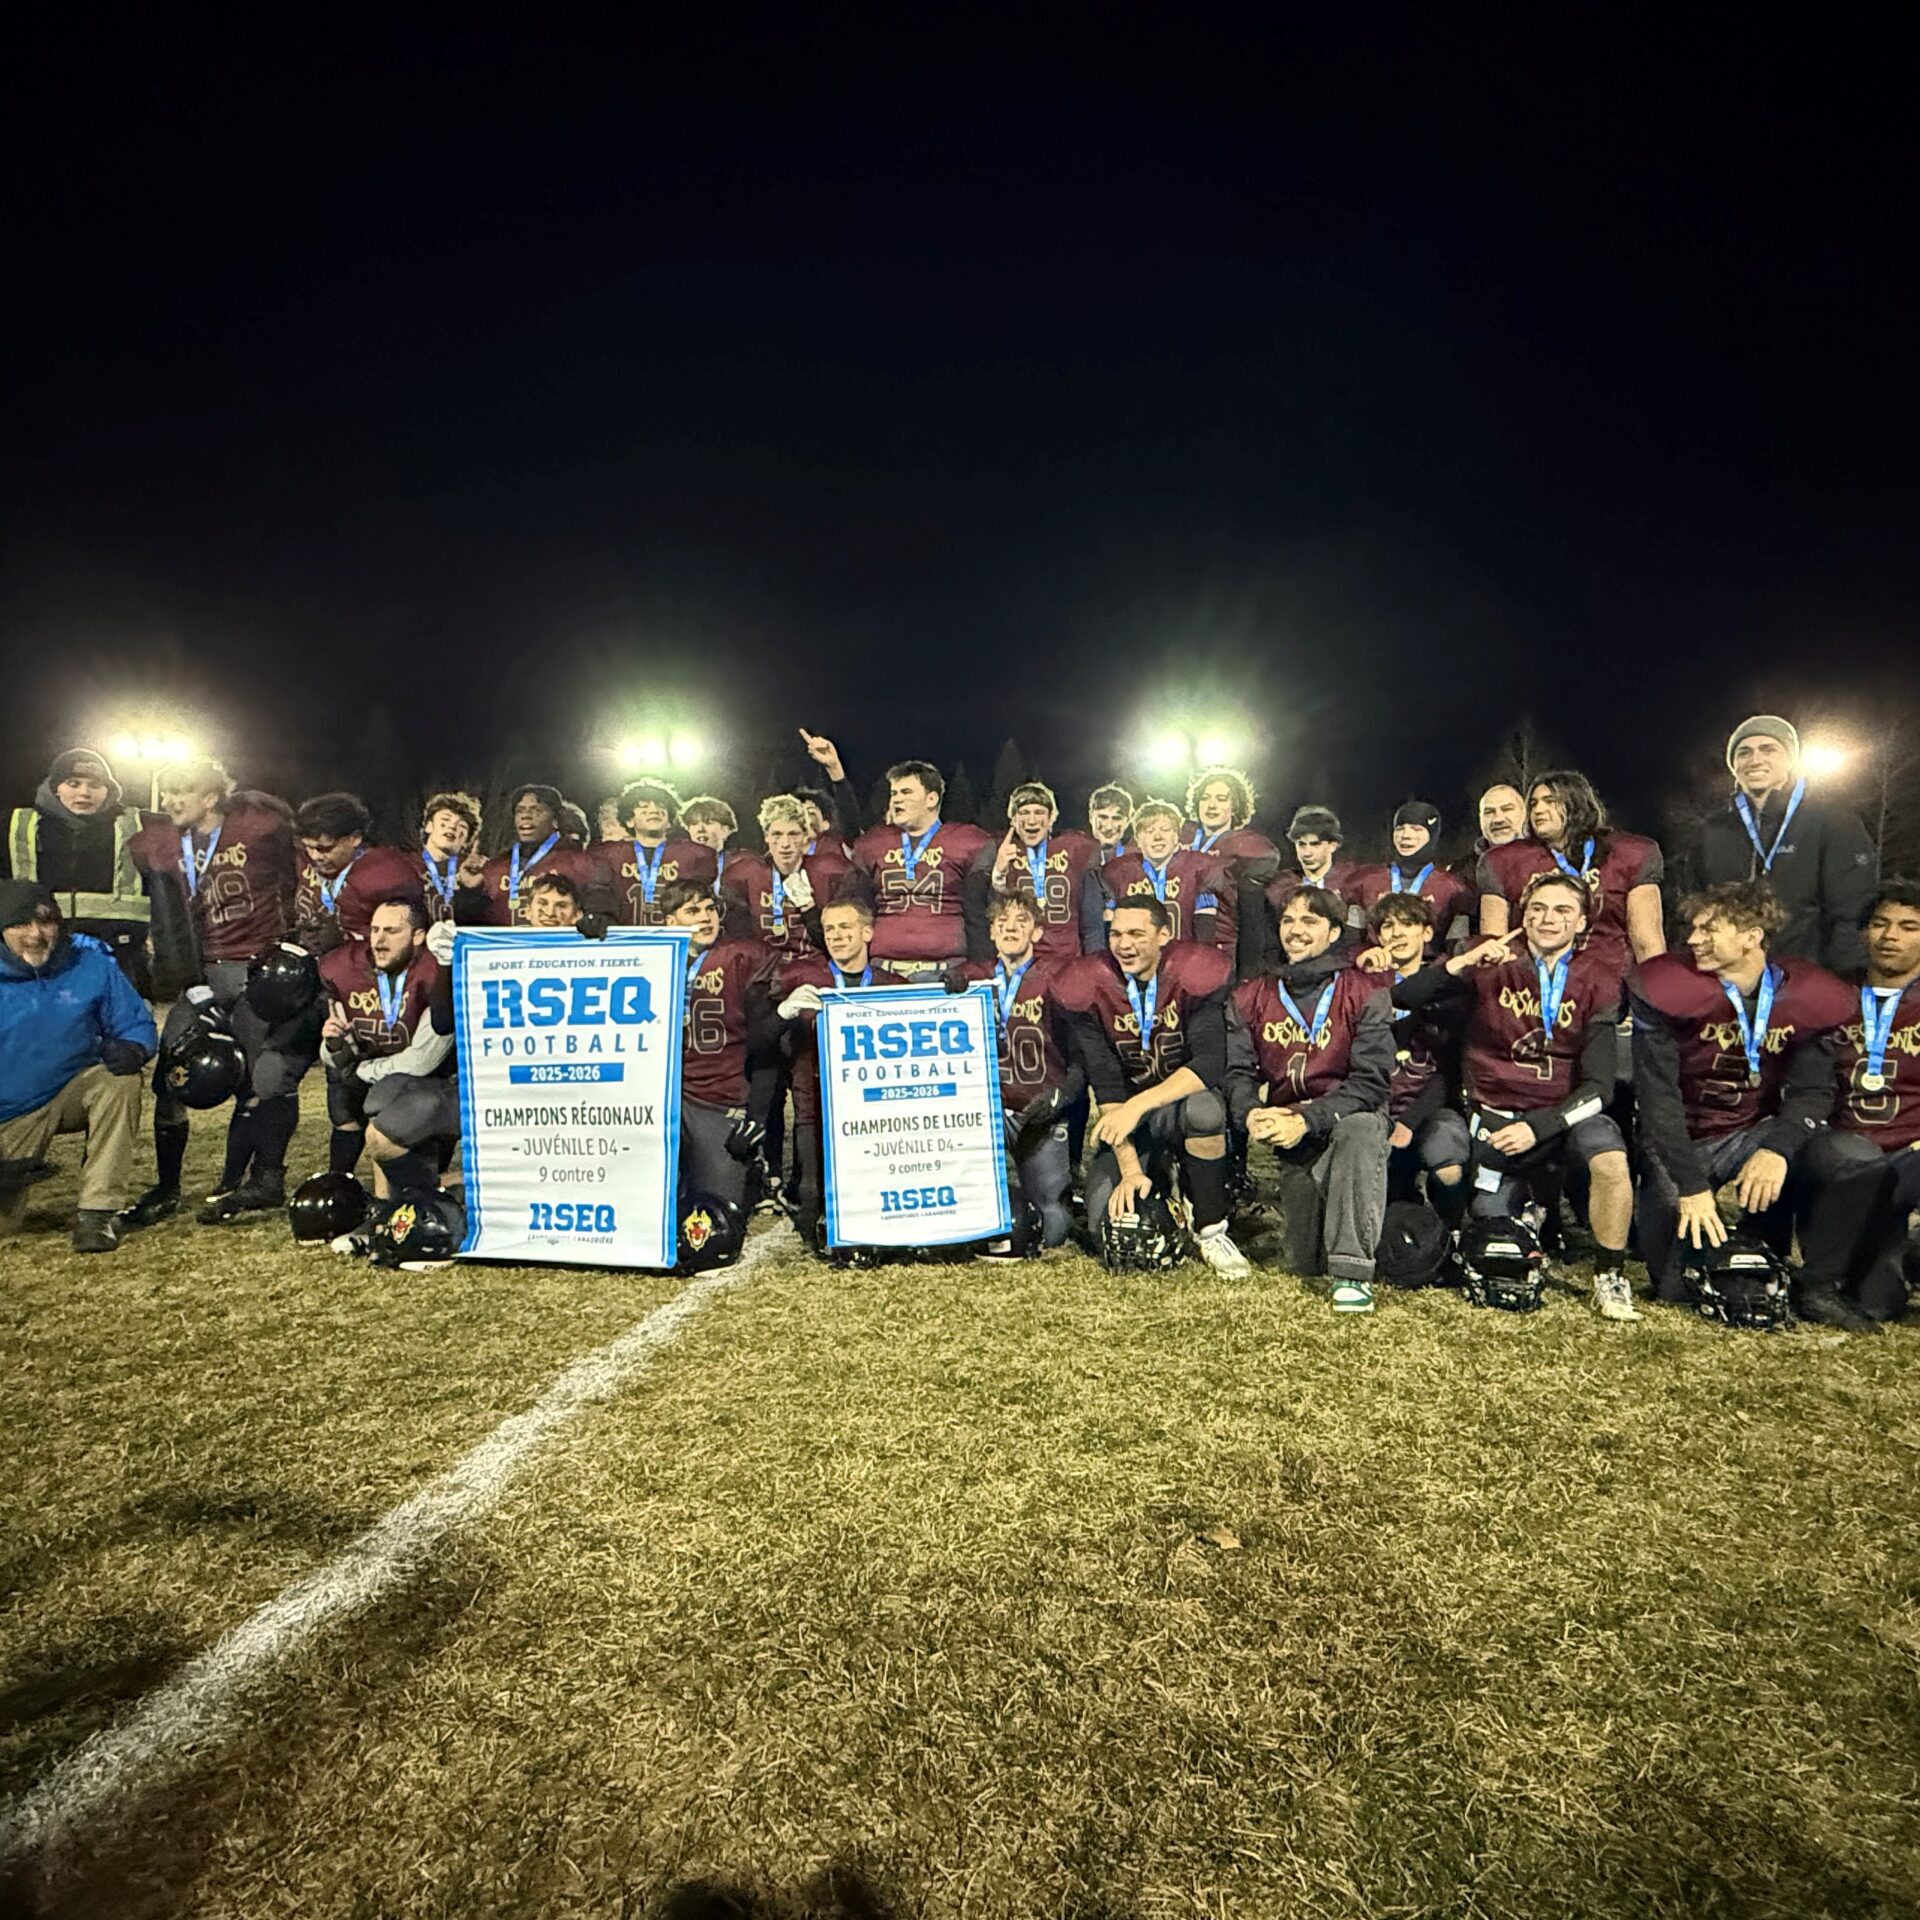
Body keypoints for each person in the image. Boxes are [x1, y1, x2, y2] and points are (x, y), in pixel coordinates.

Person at [1391, 872, 1638, 1321]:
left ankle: (1610, 1274)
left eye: (1563, 910)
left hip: (1558, 1118)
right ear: (1523, 915)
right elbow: (1404, 995)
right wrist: (1461, 963)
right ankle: (1458, 1233)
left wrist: (1541, 1126)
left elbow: (1600, 1087)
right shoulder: (1488, 960)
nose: (1548, 919)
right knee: (1483, 1209)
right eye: (1538, 908)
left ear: (1582, 922)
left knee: (1610, 1158)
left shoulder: (1597, 979)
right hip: (1489, 1113)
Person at [1632, 881, 1861, 1323]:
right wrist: (1691, 1187)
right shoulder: (1666, 988)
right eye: (1693, 928)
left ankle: (1814, 1280)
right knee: (1674, 1287)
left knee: (1835, 1154)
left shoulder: (1805, 992)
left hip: (1750, 1130)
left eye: (1709, 929)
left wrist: (1777, 1148)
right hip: (1682, 1137)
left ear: (1752, 935)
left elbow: (1814, 1090)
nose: (1693, 939)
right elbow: (1658, 1098)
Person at [125, 758, 304, 1227]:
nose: (170, 801)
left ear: (210, 797)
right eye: (167, 792)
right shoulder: (162, 841)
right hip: (199, 974)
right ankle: (166, 1186)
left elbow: (297, 850)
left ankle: (249, 1179)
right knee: (171, 1077)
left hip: (253, 969)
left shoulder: (257, 825)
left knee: (256, 1081)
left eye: (182, 790)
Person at [1057, 898, 1249, 1276]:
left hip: (1176, 1107)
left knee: (1205, 1110)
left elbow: (1208, 1065)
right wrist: (1129, 1169)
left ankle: (1210, 1229)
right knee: (1105, 1223)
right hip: (1132, 1121)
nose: (1123, 944)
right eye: (1115, 934)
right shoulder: (1091, 982)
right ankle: (1158, 1173)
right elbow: (1107, 1084)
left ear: (1164, 935)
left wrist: (1138, 1105)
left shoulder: (1192, 973)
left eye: (1136, 934)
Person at [1228, 888, 1392, 1311]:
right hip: (1291, 1123)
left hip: (1346, 1113)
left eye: (1310, 921)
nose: (1296, 931)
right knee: (1304, 1261)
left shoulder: (1365, 990)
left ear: (1334, 932)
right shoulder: (1251, 995)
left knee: (1360, 1128)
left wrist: (1308, 1119)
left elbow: (1371, 1083)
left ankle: (1353, 1272)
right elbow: (1238, 1074)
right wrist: (1252, 1113)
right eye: (1288, 921)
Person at [0, 881, 157, 1253]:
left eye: (46, 922)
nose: (36, 935)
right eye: (20, 924)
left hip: (66, 1089)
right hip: (8, 1115)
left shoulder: (90, 964)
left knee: (118, 1083)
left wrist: (135, 1047)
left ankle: (98, 1213)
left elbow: (135, 1022)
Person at [1794, 882, 1920, 1322]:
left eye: (1909, 927)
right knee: (1859, 1159)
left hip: (1910, 1152)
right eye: (1881, 924)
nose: (1891, 936)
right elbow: (1808, 1082)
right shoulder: (1832, 995)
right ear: (1864, 932)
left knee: (1880, 1304)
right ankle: (1819, 1285)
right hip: (1840, 1144)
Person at [1684, 715, 1878, 971]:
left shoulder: (1832, 821)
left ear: (1790, 761)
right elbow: (1694, 909)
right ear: (1733, 766)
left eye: (1768, 749)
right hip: (1730, 979)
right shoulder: (1712, 831)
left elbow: (1852, 910)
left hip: (1808, 977)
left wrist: (1844, 976)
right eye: (1744, 753)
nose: (1755, 760)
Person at [774, 897, 908, 1242]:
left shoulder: (893, 985)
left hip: (876, 1111)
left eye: (845, 927)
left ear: (867, 932)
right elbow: (760, 1037)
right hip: (816, 1108)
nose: (836, 936)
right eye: (830, 929)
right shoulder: (803, 979)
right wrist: (782, 1014)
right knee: (813, 1213)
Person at [964, 890, 1084, 1249]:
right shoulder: (971, 975)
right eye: (1002, 922)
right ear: (990, 932)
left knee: (1053, 1228)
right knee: (969, 1210)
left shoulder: (1059, 977)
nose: (1010, 928)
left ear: (1037, 932)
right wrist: (945, 989)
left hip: (1039, 1110)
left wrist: (1062, 1096)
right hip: (986, 1114)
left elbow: (1083, 1055)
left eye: (1021, 922)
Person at [661, 880, 778, 1208]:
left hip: (714, 1098)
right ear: (670, 922)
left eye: (710, 908)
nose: (706, 917)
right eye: (693, 910)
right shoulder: (650, 958)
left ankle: (753, 1172)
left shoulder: (739, 957)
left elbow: (764, 1047)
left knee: (717, 1208)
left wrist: (755, 1117)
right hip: (661, 1096)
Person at [3, 747, 157, 995]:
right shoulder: (16, 826)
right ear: (56, 788)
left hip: (120, 958)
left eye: (95, 785)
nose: (84, 792)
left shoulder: (139, 826)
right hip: (38, 956)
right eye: (73, 783)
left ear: (108, 790)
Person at [1354, 892, 1470, 1222]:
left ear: (1427, 933)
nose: (1397, 933)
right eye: (1387, 926)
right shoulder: (1360, 983)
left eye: (1408, 924)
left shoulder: (1450, 986)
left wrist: (1410, 1120)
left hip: (1427, 1108)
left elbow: (1450, 1070)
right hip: (1373, 1106)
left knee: (1446, 1156)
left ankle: (1452, 1234)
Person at [1477, 770, 1665, 970]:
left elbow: (1647, 941)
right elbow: (1494, 944)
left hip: (1610, 983)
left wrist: (1659, 990)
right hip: (1533, 987)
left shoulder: (1628, 854)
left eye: (1550, 801)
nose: (1538, 810)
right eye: (1533, 804)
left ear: (1577, 804)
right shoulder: (1504, 861)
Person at [318, 894, 445, 1181]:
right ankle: (338, 1183)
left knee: (385, 1096)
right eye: (375, 930)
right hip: (371, 1072)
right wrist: (334, 1043)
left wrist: (361, 1071)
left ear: (418, 936)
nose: (379, 940)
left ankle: (426, 1186)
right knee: (342, 1092)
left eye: (392, 931)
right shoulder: (347, 970)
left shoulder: (436, 972)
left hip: (428, 1080)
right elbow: (335, 1057)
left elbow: (421, 1061)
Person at [849, 760, 993, 973]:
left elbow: (977, 913)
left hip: (948, 970)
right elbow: (860, 909)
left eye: (906, 792)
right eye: (894, 793)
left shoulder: (966, 841)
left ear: (932, 799)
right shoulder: (873, 843)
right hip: (883, 970)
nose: (897, 799)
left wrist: (980, 969)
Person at [978, 781, 1105, 964]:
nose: (1031, 820)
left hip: (1066, 961)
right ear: (1013, 819)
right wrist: (999, 871)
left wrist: (1095, 963)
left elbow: (1091, 921)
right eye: (1024, 812)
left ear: (1052, 817)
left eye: (1039, 812)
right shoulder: (1000, 850)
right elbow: (990, 913)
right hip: (1020, 961)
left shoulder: (1075, 849)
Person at [721, 793, 851, 955]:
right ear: (766, 836)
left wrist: (809, 909)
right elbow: (739, 940)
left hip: (813, 966)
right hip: (764, 970)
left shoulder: (827, 872)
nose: (785, 844)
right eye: (777, 834)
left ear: (805, 836)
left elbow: (837, 944)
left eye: (793, 834)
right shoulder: (746, 874)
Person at [292, 792, 421, 950]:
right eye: (308, 847)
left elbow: (407, 942)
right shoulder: (303, 858)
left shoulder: (387, 875)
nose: (314, 856)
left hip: (360, 969)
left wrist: (346, 939)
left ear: (355, 838)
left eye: (324, 848)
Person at [464, 785, 604, 926]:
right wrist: (469, 889)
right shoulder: (495, 867)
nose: (525, 815)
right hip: (506, 946)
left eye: (536, 810)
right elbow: (476, 919)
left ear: (555, 820)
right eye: (520, 811)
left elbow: (600, 911)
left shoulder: (579, 862)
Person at [1344, 801, 1475, 951]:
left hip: (1427, 970)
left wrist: (1434, 971)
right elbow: (1352, 942)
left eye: (1416, 829)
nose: (1405, 835)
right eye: (1400, 828)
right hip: (1376, 968)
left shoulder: (1454, 888)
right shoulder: (1365, 881)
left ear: (1432, 835)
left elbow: (1456, 949)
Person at [1100, 799, 1229, 951]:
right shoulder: (1118, 871)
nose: (1158, 837)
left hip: (1183, 961)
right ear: (1138, 840)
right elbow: (1109, 927)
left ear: (1176, 837)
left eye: (1165, 830)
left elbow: (1205, 933)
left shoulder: (1197, 867)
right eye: (1149, 831)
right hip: (1135, 961)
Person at [598, 780, 717, 926]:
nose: (654, 810)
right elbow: (599, 895)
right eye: (644, 806)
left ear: (669, 821)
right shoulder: (610, 855)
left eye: (661, 806)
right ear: (629, 820)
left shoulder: (694, 854)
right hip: (623, 940)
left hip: (675, 941)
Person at [1183, 767, 1282, 888]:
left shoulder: (1243, 842)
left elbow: (1269, 858)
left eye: (1221, 799)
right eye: (1205, 798)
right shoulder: (1182, 835)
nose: (1211, 805)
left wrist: (1227, 877)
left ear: (1235, 807)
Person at [416, 792, 482, 925]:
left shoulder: (472, 871)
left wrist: (474, 889)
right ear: (429, 826)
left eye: (461, 826)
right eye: (445, 820)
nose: (452, 827)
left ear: (466, 841)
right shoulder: (406, 866)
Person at [681, 796, 739, 894]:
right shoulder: (680, 866)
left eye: (708, 823)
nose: (700, 829)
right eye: (694, 824)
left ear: (726, 829)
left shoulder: (740, 866)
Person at [1089, 784, 1134, 864]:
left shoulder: (1137, 861)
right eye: (1103, 817)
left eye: (1116, 818)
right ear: (1091, 817)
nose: (1109, 827)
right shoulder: (1073, 857)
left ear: (1127, 821)